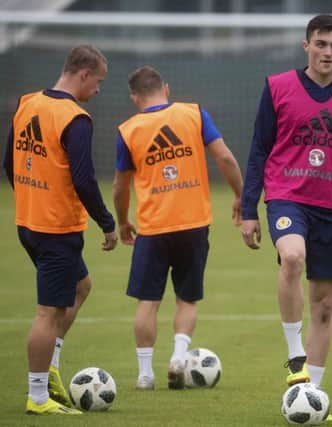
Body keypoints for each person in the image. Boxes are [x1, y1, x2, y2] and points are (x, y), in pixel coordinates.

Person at [240, 14, 332, 420]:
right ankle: (294, 356)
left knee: (324, 307)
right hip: (287, 197)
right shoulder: (278, 87)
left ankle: (311, 395)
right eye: (321, 44)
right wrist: (249, 210)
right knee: (293, 257)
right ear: (306, 46)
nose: (328, 52)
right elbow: (258, 150)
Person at [2, 45, 118, 415]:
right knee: (47, 314)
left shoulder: (27, 102)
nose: (98, 89)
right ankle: (38, 396)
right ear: (83, 74)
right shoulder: (74, 117)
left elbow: (9, 162)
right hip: (56, 229)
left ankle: (49, 365)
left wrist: (32, 198)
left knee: (81, 287)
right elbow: (83, 180)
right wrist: (107, 222)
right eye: (98, 81)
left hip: (29, 223)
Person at [112, 65, 243, 390]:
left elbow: (119, 187)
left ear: (134, 97)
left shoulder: (128, 130)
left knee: (148, 302)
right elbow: (225, 158)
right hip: (193, 223)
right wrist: (242, 195)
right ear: (166, 89)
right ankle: (179, 357)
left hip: (153, 227)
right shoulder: (194, 114)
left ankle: (145, 375)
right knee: (187, 299)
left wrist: (123, 220)